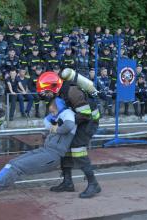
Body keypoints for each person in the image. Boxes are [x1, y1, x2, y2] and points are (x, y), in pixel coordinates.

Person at [0, 97, 77, 201]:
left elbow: (68, 126)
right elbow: (47, 122)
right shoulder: (60, 116)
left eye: (53, 112)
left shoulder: (67, 114)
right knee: (12, 163)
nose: (52, 114)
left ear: (58, 108)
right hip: (45, 151)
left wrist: (56, 128)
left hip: (52, 155)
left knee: (16, 166)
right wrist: (54, 120)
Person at [37, 71, 101, 199]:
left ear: (54, 87)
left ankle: (93, 184)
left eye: (46, 92)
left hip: (88, 122)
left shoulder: (72, 92)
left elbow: (85, 114)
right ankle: (67, 182)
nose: (46, 96)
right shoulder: (59, 93)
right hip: (76, 120)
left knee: (78, 149)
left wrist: (63, 125)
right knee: (64, 147)